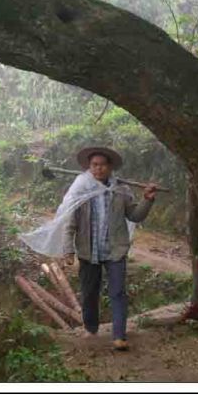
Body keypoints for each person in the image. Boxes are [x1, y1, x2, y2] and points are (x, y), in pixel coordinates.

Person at [64, 146, 156, 351]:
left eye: (102, 165)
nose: (98, 169)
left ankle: (119, 336)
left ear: (110, 167)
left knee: (117, 292)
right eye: (94, 165)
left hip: (115, 250)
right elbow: (70, 222)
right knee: (89, 292)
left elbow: (135, 216)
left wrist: (147, 200)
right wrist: (68, 250)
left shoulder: (121, 191)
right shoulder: (82, 190)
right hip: (89, 251)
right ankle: (90, 328)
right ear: (89, 167)